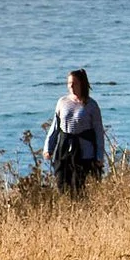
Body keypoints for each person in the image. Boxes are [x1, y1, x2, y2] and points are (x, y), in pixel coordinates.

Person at [46, 70, 107, 199]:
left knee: (79, 186)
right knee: (61, 183)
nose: (71, 86)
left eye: (75, 83)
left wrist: (99, 156)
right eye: (69, 83)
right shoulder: (62, 102)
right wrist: (48, 148)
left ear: (82, 84)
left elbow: (98, 132)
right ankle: (68, 209)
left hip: (84, 151)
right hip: (64, 148)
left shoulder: (91, 105)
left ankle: (81, 211)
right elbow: (55, 126)